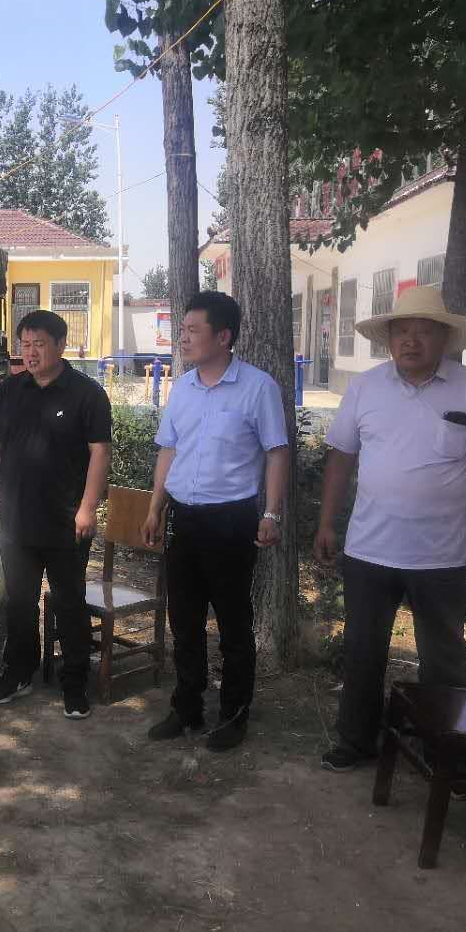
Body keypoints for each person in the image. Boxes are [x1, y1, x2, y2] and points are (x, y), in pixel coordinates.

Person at [314, 285, 466, 775]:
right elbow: (341, 459)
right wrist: (326, 524)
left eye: (423, 331)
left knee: (445, 660)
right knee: (363, 651)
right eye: (401, 331)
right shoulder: (364, 388)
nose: (411, 340)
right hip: (369, 550)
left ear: (444, 339)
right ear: (388, 339)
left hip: (441, 557)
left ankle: (450, 755)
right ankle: (356, 741)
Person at [142, 291, 289, 752]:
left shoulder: (258, 387)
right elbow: (169, 449)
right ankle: (187, 706)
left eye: (193, 331)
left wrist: (271, 513)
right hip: (184, 519)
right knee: (184, 621)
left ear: (223, 337)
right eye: (182, 330)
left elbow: (277, 452)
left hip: (231, 522)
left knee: (232, 623)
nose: (183, 338)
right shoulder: (183, 388)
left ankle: (234, 713)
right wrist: (155, 507)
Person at [0, 309, 112, 721]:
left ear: (60, 346)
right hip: (18, 522)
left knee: (69, 604)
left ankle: (74, 682)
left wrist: (88, 508)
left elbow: (99, 453)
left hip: (67, 523)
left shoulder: (86, 394)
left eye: (39, 344)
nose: (30, 353)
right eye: (25, 344)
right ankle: (19, 672)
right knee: (19, 603)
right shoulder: (9, 391)